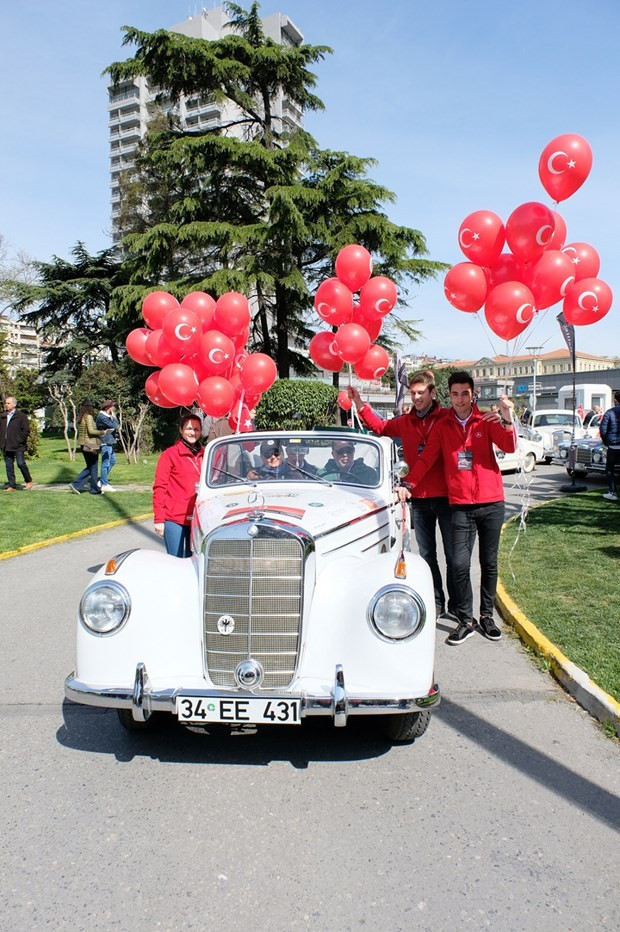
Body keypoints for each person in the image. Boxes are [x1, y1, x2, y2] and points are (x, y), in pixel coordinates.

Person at [401, 371, 516, 646]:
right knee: (459, 564)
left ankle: (486, 616)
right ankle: (466, 618)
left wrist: (507, 416)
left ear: (472, 394)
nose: (460, 399)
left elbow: (509, 445)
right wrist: (409, 484)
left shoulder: (485, 420)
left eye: (465, 393)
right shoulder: (443, 425)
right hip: (461, 506)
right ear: (449, 396)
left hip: (491, 502)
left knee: (488, 563)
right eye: (455, 394)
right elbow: (428, 457)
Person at [349, 371, 457, 620]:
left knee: (453, 555)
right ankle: (437, 601)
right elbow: (379, 426)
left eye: (421, 393)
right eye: (413, 393)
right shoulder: (405, 422)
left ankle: (458, 605)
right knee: (428, 554)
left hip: (447, 496)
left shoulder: (446, 417)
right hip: (418, 497)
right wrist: (359, 404)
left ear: (432, 392)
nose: (417, 398)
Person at [153, 413, 205, 557]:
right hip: (174, 518)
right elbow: (159, 487)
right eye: (189, 428)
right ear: (181, 430)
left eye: (196, 429)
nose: (193, 433)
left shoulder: (205, 454)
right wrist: (159, 519)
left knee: (195, 561)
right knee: (175, 561)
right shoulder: (169, 455)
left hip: (197, 518)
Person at [69, 400, 105, 495]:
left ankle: (94, 489)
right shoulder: (88, 417)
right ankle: (76, 484)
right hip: (90, 445)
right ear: (90, 407)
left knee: (91, 467)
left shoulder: (81, 417)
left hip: (83, 444)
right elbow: (91, 431)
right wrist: (103, 432)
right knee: (92, 467)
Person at [0, 395, 33, 492]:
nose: (6, 405)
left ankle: (28, 480)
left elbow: (26, 431)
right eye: (5, 403)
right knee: (9, 465)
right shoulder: (2, 417)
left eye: (8, 403)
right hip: (6, 445)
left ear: (14, 404)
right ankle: (12, 485)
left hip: (18, 445)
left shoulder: (21, 416)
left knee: (21, 463)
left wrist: (20, 440)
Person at [600, 390, 620, 502]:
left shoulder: (609, 412)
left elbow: (602, 429)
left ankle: (612, 492)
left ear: (615, 400)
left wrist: (606, 441)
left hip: (613, 445)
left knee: (609, 470)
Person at [96, 400, 119, 492]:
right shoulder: (102, 417)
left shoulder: (106, 416)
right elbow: (114, 425)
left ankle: (102, 480)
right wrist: (114, 416)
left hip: (109, 442)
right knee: (105, 463)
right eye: (112, 407)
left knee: (112, 461)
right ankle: (104, 484)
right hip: (105, 442)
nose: (113, 409)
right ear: (108, 408)